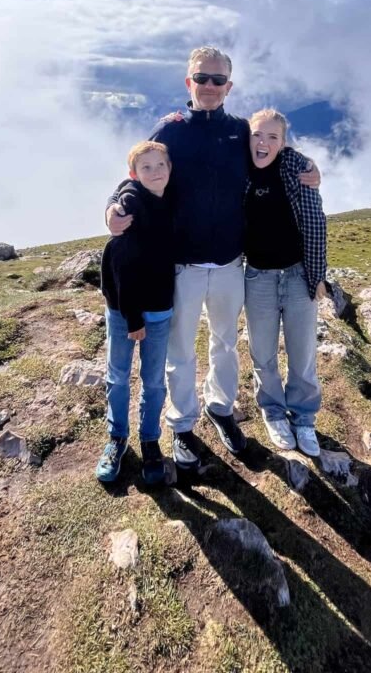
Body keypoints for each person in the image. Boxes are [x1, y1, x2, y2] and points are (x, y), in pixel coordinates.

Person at [106, 46, 320, 472]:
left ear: (229, 86)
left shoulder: (240, 131)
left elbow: (273, 152)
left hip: (228, 264)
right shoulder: (170, 130)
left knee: (225, 343)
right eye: (201, 78)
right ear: (189, 83)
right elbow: (138, 168)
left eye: (217, 80)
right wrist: (113, 204)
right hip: (182, 265)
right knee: (180, 351)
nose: (209, 86)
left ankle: (220, 409)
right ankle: (182, 425)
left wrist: (311, 167)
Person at [243, 109, 326, 457]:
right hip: (257, 276)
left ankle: (304, 418)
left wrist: (318, 275)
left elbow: (315, 223)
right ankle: (273, 411)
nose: (263, 143)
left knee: (302, 353)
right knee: (262, 353)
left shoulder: (296, 170)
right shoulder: (237, 171)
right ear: (247, 137)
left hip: (296, 274)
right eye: (257, 135)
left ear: (283, 142)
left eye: (272, 137)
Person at [97, 141, 174, 485]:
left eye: (161, 165)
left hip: (160, 308)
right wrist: (133, 319)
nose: (155, 172)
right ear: (133, 174)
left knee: (154, 381)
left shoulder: (171, 197)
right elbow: (122, 263)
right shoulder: (130, 202)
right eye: (146, 168)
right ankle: (117, 438)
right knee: (118, 376)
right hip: (126, 311)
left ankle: (149, 439)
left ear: (170, 169)